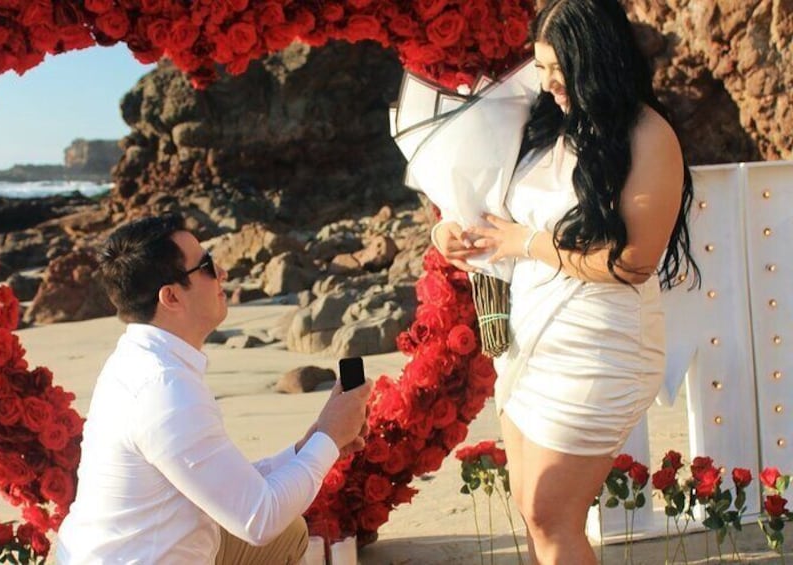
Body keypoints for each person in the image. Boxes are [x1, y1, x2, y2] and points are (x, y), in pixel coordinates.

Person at [432, 0, 699, 563]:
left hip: (600, 349)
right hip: (530, 341)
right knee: (534, 513)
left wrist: (524, 243)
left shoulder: (648, 137)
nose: (549, 82)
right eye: (542, 67)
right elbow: (485, 210)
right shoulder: (541, 123)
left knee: (554, 514)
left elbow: (632, 261)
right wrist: (448, 237)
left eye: (561, 70)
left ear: (597, 62)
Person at [55, 214, 372, 564]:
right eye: (206, 266)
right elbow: (259, 519)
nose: (222, 272)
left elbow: (224, 482)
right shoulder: (164, 391)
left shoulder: (143, 359)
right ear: (171, 297)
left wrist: (309, 445)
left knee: (290, 533)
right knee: (277, 529)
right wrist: (329, 436)